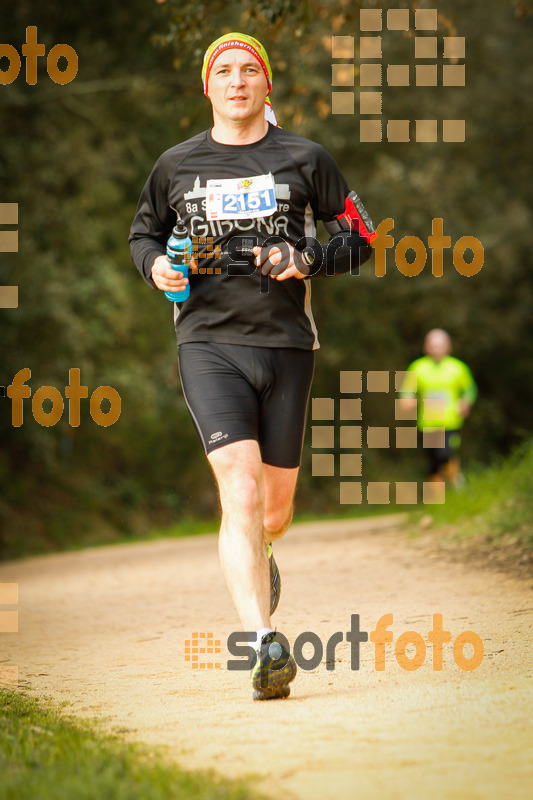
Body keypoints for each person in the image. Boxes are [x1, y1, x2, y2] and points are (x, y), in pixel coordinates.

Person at [129, 32, 373, 700]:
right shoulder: (176, 165)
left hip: (288, 343)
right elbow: (143, 232)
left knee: (272, 509)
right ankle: (264, 646)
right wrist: (155, 266)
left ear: (268, 85)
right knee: (236, 490)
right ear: (206, 87)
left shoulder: (305, 157)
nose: (236, 81)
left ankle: (262, 551)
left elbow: (362, 237)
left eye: (249, 71)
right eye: (224, 72)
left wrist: (310, 258)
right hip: (206, 341)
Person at [399, 329, 477, 486]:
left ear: (448, 347)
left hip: (450, 422)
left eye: (439, 345)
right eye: (432, 345)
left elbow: (470, 389)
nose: (436, 349)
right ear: (425, 347)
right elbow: (406, 390)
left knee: (445, 454)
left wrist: (466, 401)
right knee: (433, 462)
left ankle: (457, 482)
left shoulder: (458, 367)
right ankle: (438, 502)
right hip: (427, 423)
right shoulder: (417, 367)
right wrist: (406, 399)